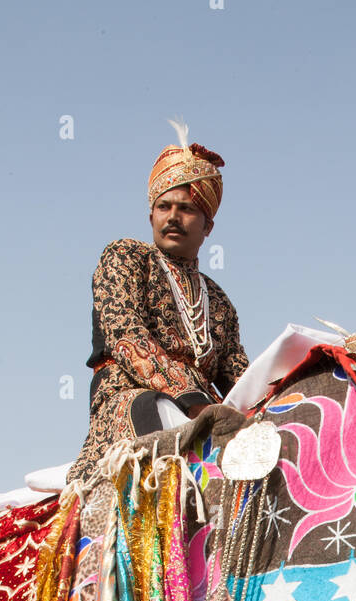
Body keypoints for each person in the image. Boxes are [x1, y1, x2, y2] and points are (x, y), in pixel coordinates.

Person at [71, 123, 249, 478]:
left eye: (185, 209)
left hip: (206, 411)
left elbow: (240, 377)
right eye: (163, 206)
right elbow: (126, 337)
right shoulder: (126, 256)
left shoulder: (219, 300)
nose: (172, 217)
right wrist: (193, 402)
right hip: (132, 398)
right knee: (159, 412)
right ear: (150, 215)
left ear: (207, 226)